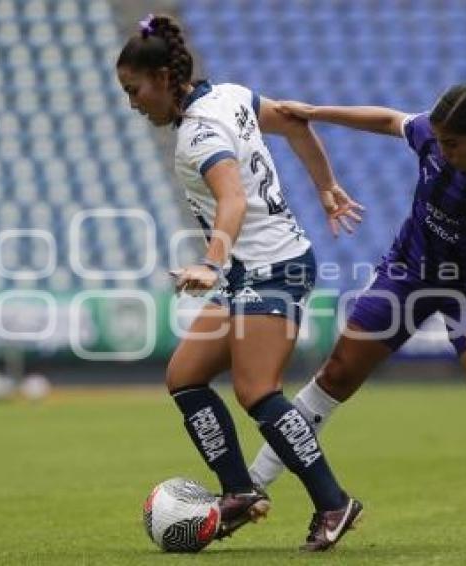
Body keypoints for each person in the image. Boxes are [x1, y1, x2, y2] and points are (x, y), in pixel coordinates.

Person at [248, 84, 466, 549]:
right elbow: (389, 120)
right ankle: (252, 484)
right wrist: (316, 112)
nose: (441, 150)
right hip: (408, 273)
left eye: (452, 144)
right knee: (336, 376)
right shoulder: (433, 134)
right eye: (438, 141)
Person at [115, 15, 365, 551]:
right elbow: (296, 121)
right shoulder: (230, 95)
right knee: (184, 376)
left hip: (272, 267)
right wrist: (326, 187)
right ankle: (240, 493)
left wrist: (210, 260)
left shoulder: (197, 134)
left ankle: (333, 501)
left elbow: (231, 198)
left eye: (134, 90)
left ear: (162, 77)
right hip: (250, 269)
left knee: (257, 392)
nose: (133, 103)